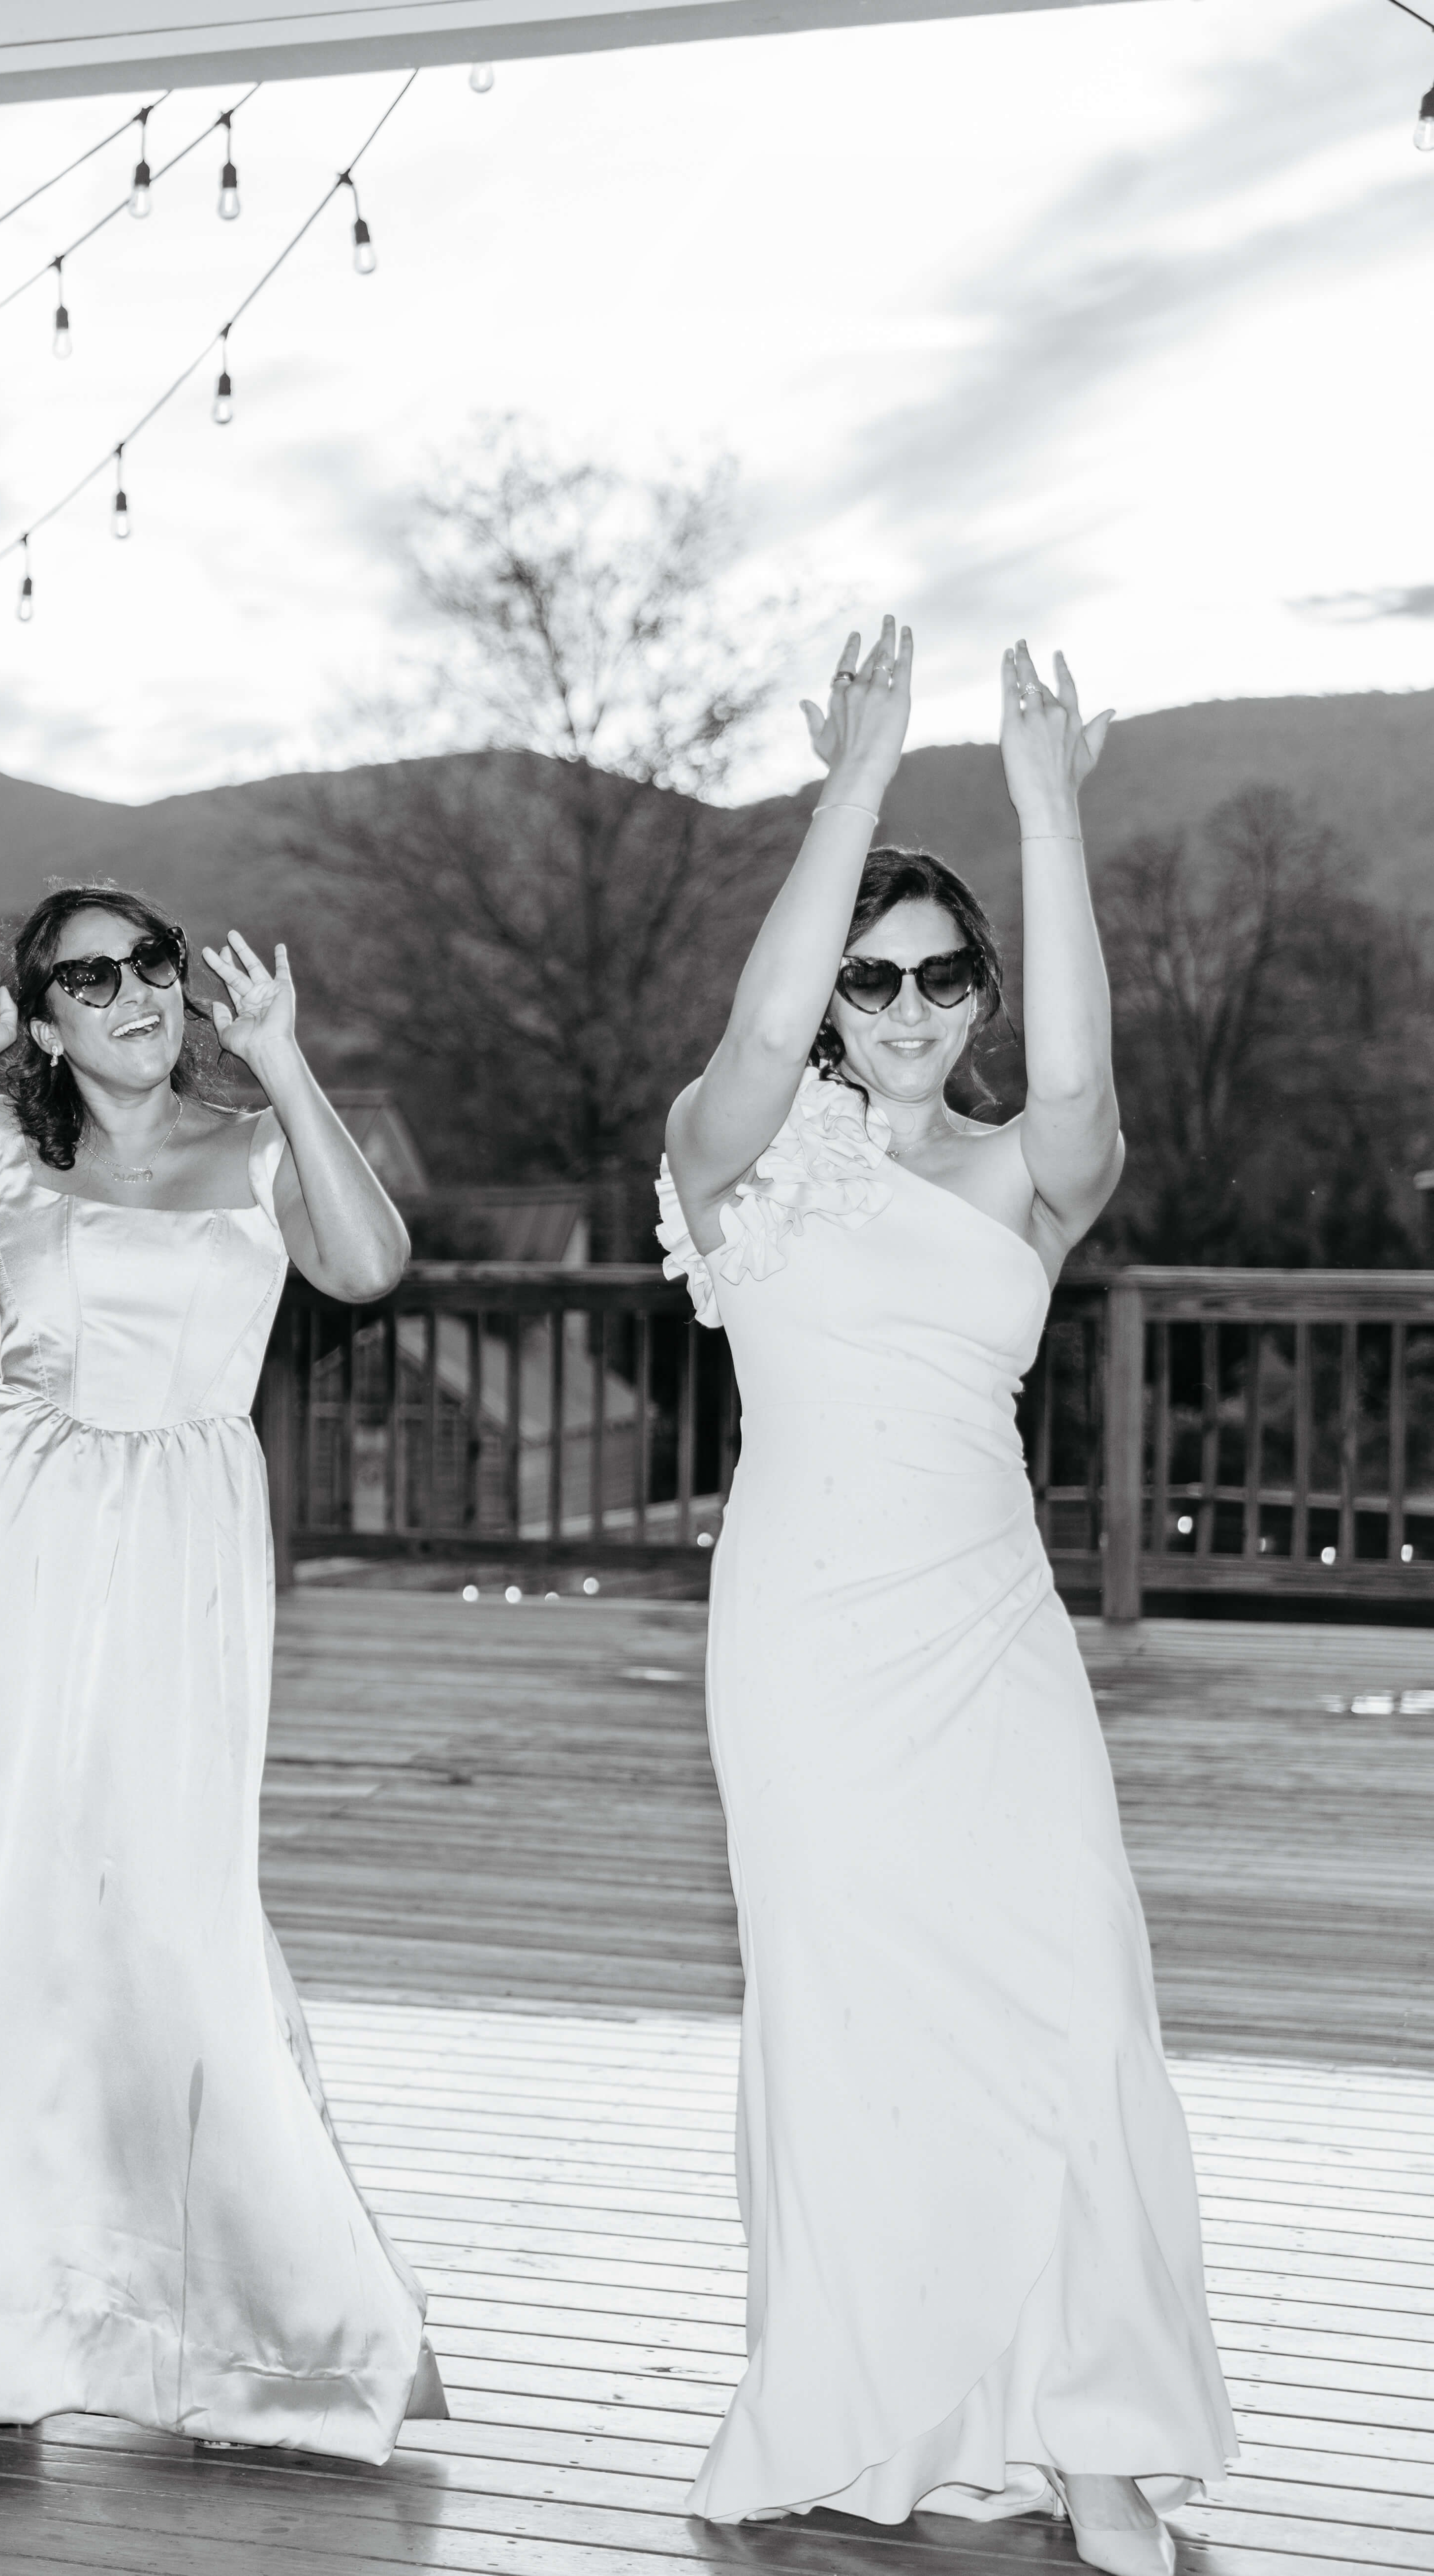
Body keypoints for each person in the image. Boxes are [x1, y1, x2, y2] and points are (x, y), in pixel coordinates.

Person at [658, 626, 1231, 2575]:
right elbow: (747, 1046)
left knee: (1071, 1994)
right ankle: (863, 2391)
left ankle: (1095, 2435)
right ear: (831, 992)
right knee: (852, 2010)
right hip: (804, 1642)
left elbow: (1081, 1080)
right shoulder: (735, 1156)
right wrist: (859, 787)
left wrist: (1052, 807)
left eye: (938, 975)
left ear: (974, 992)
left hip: (986, 1629)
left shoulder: (1022, 1178)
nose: (902, 1006)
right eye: (869, 976)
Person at [0, 888, 440, 2455]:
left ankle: (261, 2332)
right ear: (42, 1014)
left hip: (181, 1552)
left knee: (175, 1926)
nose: (131, 992)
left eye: (150, 964)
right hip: (10, 1547)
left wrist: (289, 1062)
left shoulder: (253, 1146)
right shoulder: (5, 1143)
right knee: (1, 1926)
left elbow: (371, 1264)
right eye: (88, 976)